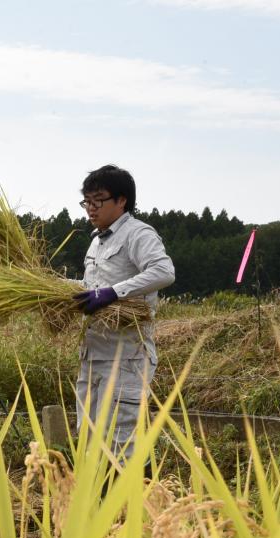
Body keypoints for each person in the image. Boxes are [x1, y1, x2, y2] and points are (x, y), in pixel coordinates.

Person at [71, 164, 175, 465]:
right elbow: (93, 288)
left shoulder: (137, 234)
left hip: (126, 359)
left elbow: (163, 271)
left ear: (121, 201)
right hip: (92, 358)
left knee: (121, 445)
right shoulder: (96, 241)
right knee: (90, 443)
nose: (91, 208)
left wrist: (113, 293)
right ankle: (97, 510)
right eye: (86, 201)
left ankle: (134, 509)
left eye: (98, 200)